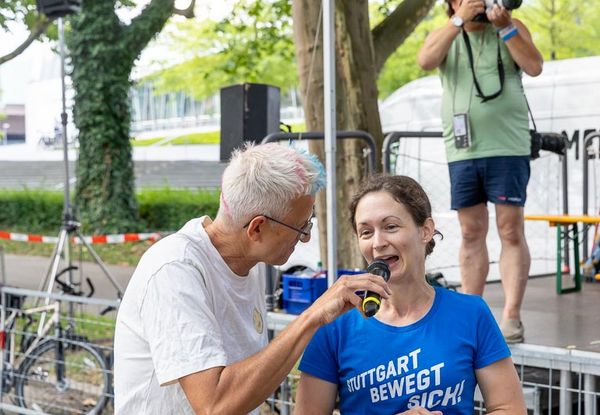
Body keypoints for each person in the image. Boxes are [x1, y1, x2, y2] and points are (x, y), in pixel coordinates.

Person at [113, 142, 391, 414]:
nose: (305, 237)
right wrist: (312, 317)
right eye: (300, 226)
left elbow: (247, 382)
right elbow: (214, 406)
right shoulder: (175, 269)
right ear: (257, 228)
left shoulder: (250, 264)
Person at [295, 174, 526, 415]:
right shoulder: (335, 323)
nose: (378, 242)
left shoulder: (471, 313)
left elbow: (509, 408)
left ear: (425, 230)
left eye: (390, 227)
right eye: (366, 232)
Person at [416, 0, 544, 343]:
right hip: (463, 150)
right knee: (471, 232)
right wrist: (459, 20)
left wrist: (505, 26)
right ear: (453, 3)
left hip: (508, 146)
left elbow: (533, 66)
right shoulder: (447, 33)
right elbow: (425, 59)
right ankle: (472, 315)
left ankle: (512, 318)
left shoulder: (511, 26)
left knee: (510, 230)